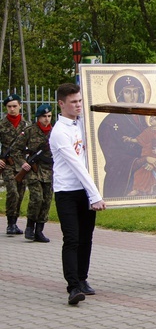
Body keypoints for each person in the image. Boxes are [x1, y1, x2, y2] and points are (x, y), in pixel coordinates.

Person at [50, 83, 107, 305]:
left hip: (86, 190)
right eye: (73, 102)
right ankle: (73, 286)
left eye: (80, 101)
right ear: (61, 104)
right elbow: (77, 166)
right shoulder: (59, 132)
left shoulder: (83, 124)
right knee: (72, 238)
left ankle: (82, 278)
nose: (78, 105)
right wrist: (95, 196)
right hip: (67, 192)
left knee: (86, 237)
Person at [20, 104, 54, 242]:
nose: (46, 119)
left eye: (49, 116)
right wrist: (23, 162)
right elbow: (17, 149)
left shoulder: (55, 131)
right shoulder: (30, 131)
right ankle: (30, 226)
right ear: (38, 117)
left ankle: (39, 230)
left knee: (46, 200)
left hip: (49, 170)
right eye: (43, 117)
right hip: (33, 169)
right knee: (37, 197)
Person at [0, 93, 29, 234]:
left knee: (20, 193)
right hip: (7, 164)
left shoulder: (26, 125)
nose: (12, 109)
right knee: (12, 192)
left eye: (14, 106)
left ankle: (15, 222)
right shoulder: (1, 124)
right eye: (9, 106)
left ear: (20, 106)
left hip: (22, 164)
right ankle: (10, 223)